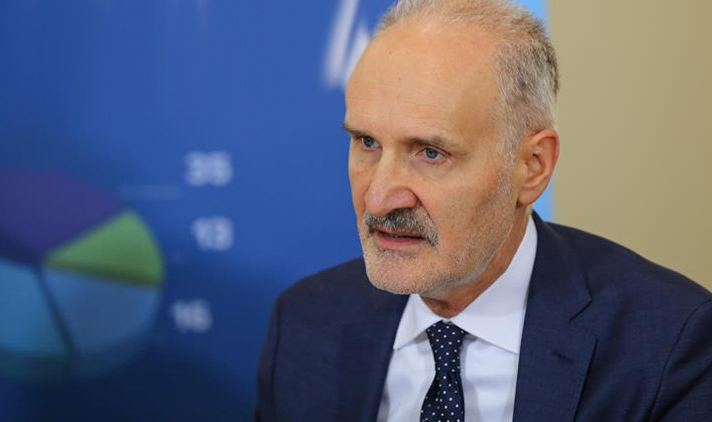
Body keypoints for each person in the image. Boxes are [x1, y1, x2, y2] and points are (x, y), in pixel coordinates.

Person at [256, 0, 712, 420]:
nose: (377, 198)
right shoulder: (304, 323)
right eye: (367, 142)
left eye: (430, 153)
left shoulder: (668, 346)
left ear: (532, 166)